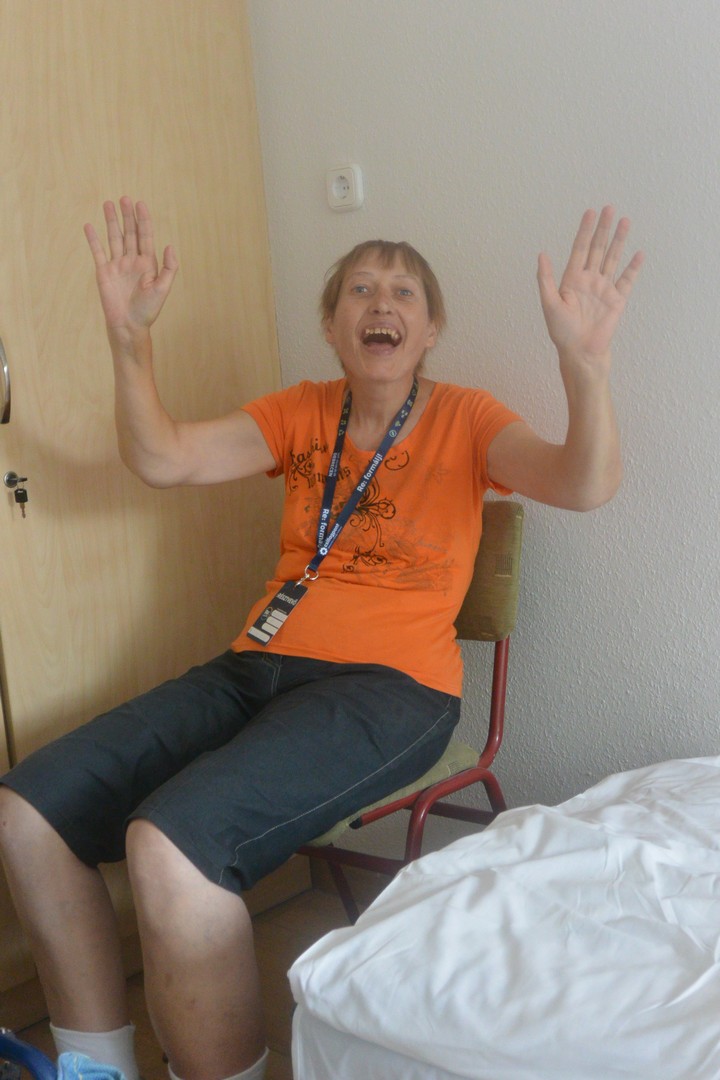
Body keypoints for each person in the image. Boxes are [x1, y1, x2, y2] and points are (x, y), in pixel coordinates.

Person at [0, 198, 643, 1080]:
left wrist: (585, 365)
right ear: (333, 327)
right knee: (28, 811)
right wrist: (128, 339)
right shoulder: (302, 411)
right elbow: (164, 458)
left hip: (392, 690)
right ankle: (93, 1066)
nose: (382, 302)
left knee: (171, 843)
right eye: (360, 290)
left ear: (429, 331)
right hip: (255, 668)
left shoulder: (467, 417)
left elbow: (584, 483)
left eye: (405, 292)